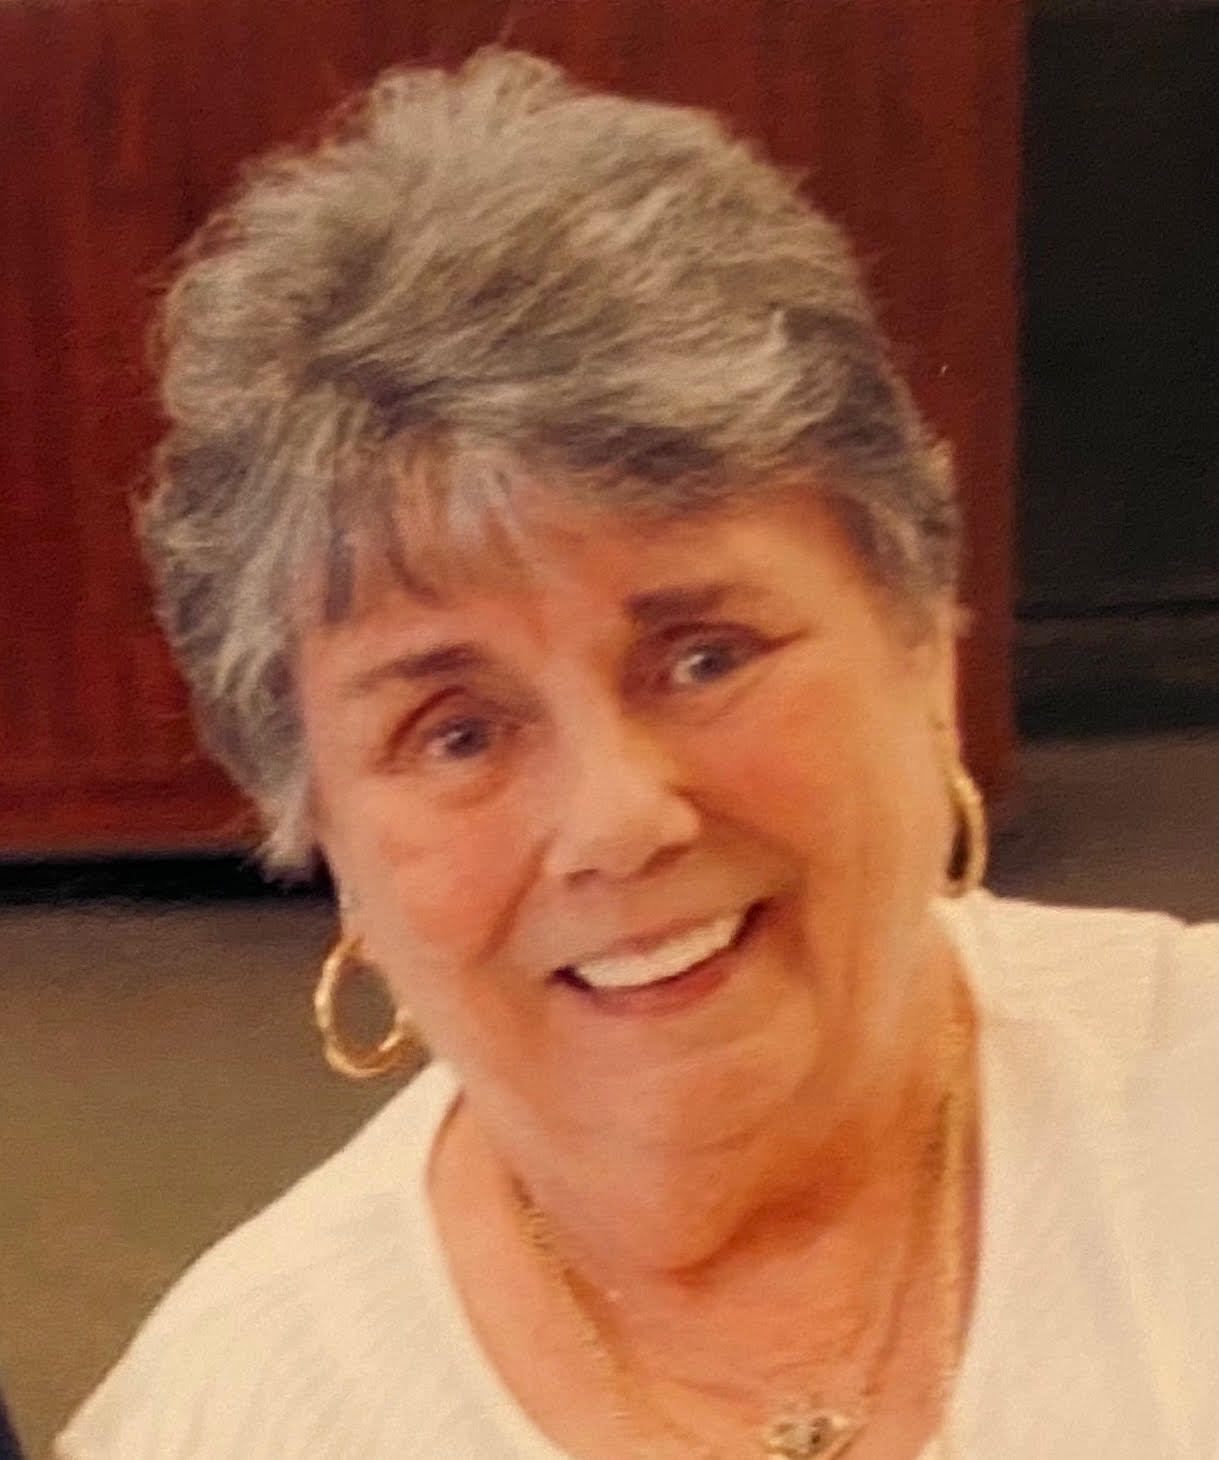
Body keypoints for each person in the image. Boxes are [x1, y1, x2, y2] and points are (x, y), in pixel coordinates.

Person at [57, 48, 1215, 1460]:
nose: (618, 818)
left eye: (703, 656)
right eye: (458, 733)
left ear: (921, 636)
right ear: (326, 838)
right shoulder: (228, 1417)